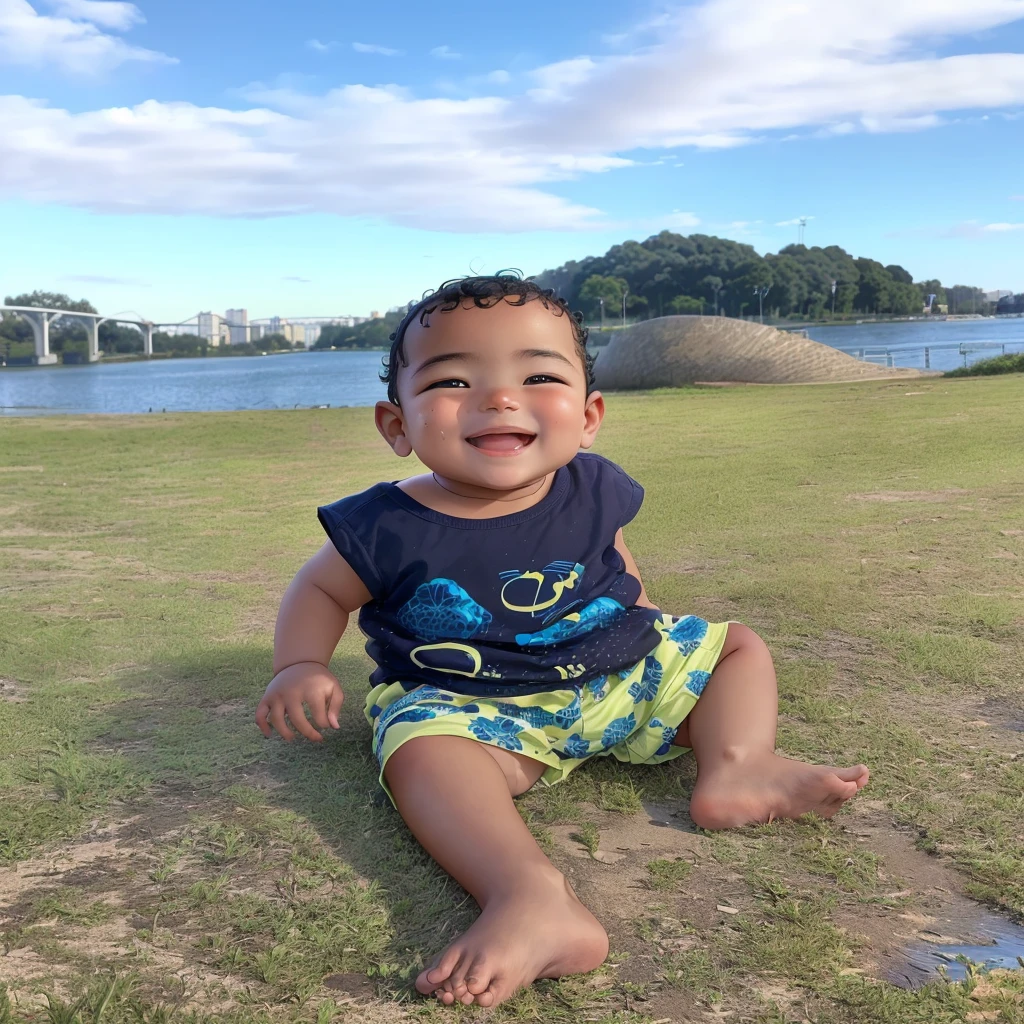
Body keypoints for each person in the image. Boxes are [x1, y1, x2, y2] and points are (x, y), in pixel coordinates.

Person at [255, 273, 869, 1009]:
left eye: (538, 375)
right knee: (422, 749)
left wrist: (645, 617)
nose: (499, 398)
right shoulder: (386, 525)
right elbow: (321, 589)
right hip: (480, 708)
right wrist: (300, 663)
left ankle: (741, 767)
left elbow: (610, 556)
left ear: (587, 415)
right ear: (398, 426)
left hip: (617, 674)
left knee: (736, 647)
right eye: (454, 380)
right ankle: (528, 894)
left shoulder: (592, 487)